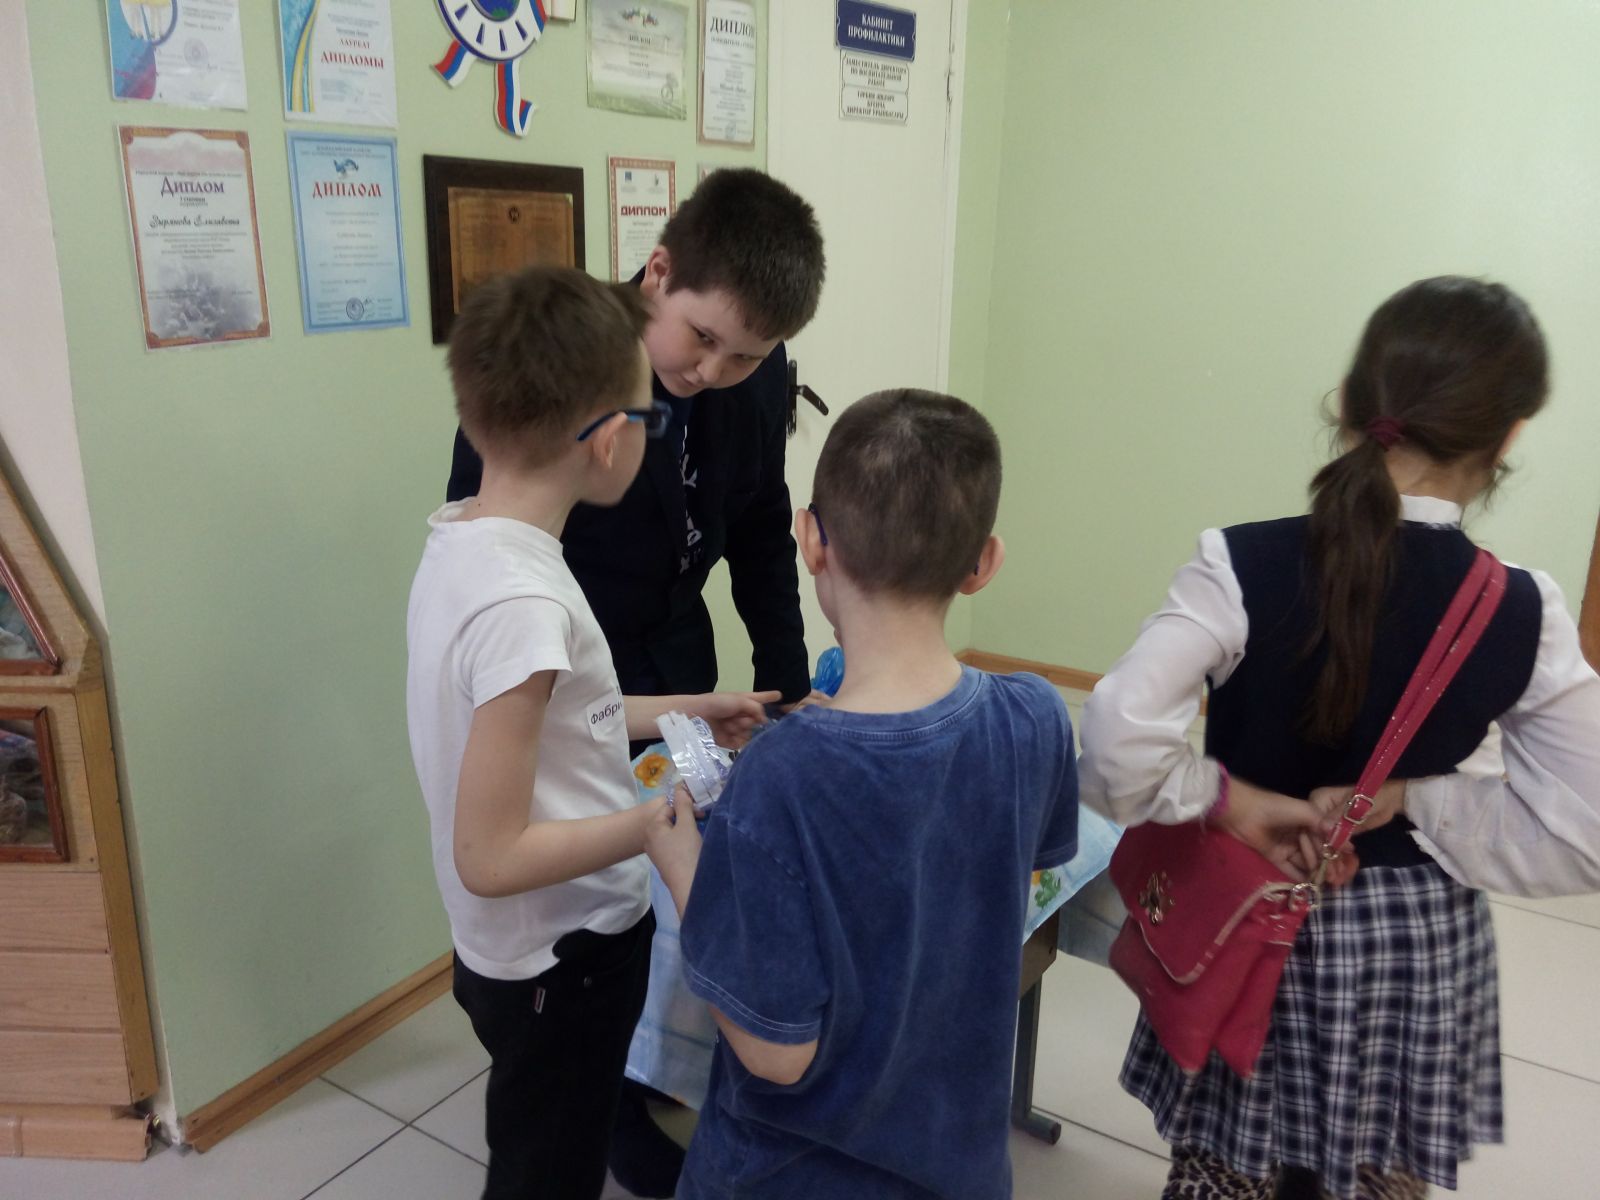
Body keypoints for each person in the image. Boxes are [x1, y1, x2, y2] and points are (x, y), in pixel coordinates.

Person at [1079, 276, 1600, 1199]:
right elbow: (1588, 827)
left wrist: (1226, 800)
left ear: (1351, 403)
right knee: (1374, 1175)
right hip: (1409, 954)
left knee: (1225, 1170)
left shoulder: (1238, 562)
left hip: (1244, 922)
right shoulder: (1526, 609)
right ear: (1510, 436)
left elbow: (1117, 743)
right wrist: (1420, 800)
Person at [447, 167, 827, 1196]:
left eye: (746, 355)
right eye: (701, 340)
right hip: (562, 663)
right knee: (580, 903)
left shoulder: (751, 380)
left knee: (650, 897)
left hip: (665, 659)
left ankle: (632, 1061)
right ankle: (598, 1087)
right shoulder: (562, 373)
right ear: (658, 273)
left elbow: (759, 527)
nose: (714, 371)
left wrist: (786, 687)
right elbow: (490, 529)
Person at [646, 389, 1080, 1199]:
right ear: (984, 562)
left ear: (811, 539)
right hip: (959, 1166)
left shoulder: (781, 775)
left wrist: (683, 868)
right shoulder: (1036, 716)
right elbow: (990, 891)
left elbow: (776, 1053)